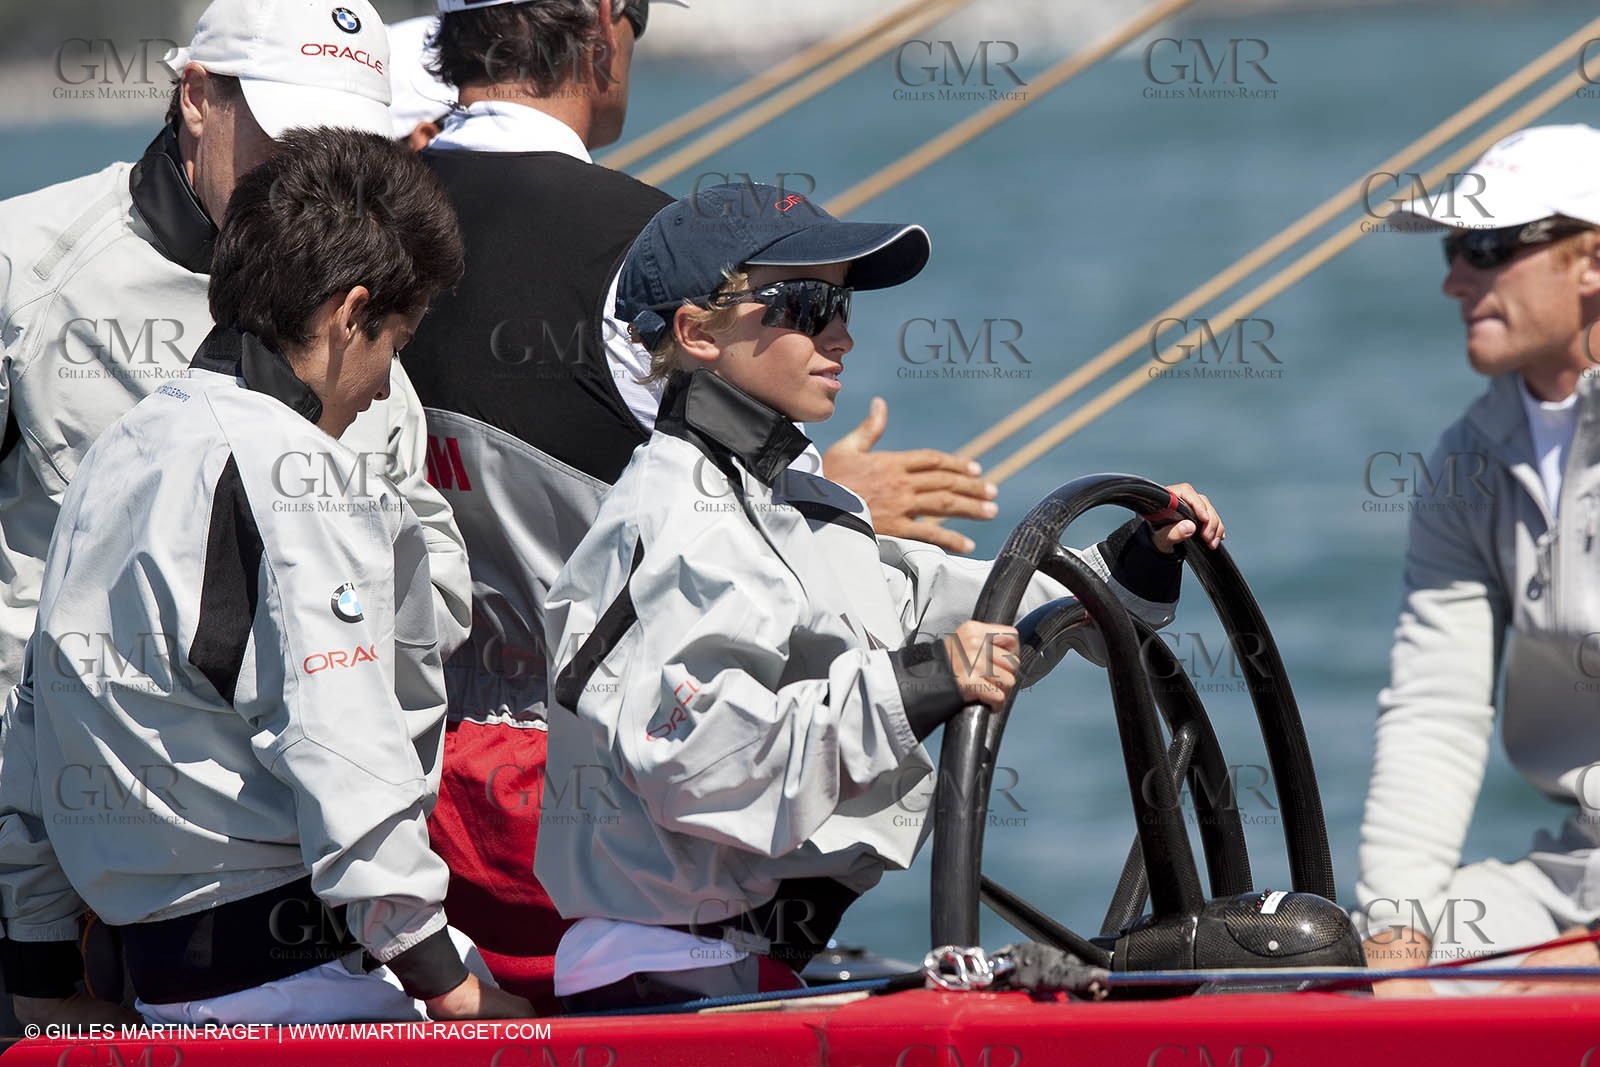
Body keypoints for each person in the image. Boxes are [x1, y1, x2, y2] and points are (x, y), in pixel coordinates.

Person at [397, 0, 1005, 1012]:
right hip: (641, 860)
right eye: (813, 309)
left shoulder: (342, 236)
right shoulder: (645, 248)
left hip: (413, 832)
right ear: (600, 23)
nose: (838, 336)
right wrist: (835, 502)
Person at [536, 183, 1224, 1010]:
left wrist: (1131, 564)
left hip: (742, 964)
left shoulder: (794, 502)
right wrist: (917, 685)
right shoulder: (679, 518)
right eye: (807, 302)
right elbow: (696, 762)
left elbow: (966, 602)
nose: (843, 333)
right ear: (697, 333)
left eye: (844, 302)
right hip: (661, 979)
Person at [0, 128, 533, 1026]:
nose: (380, 386)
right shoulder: (294, 470)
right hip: (302, 978)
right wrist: (451, 979)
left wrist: (38, 960)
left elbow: (38, 714)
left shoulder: (124, 448)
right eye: (394, 343)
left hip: (163, 988)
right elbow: (338, 737)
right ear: (348, 313)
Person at [0, 0, 472, 709]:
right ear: (195, 97)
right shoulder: (24, 262)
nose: (317, 176)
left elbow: (435, 599)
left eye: (347, 151)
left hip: (295, 799)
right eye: (291, 140)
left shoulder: (363, 306)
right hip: (54, 799)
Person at [1356, 124, 1600, 994]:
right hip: (1576, 881)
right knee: (1352, 972)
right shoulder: (1466, 461)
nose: (1455, 278)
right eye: (1458, 248)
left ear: (1592, 264)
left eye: (1488, 247)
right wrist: (1393, 940)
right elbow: (1436, 709)